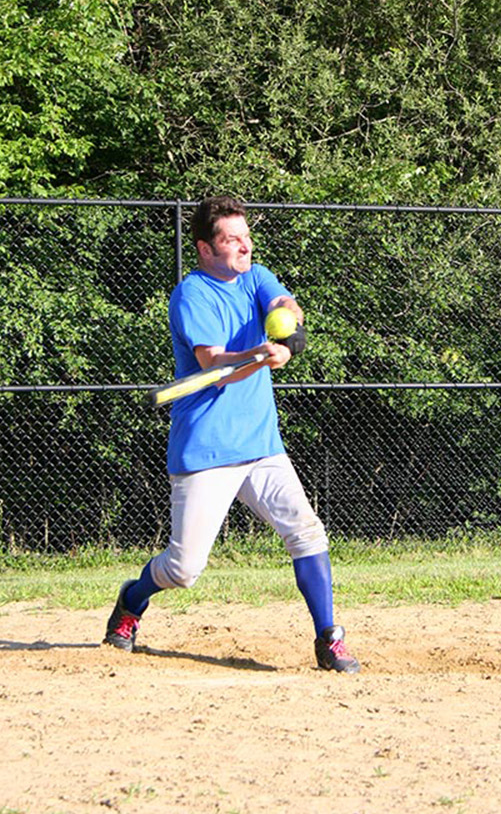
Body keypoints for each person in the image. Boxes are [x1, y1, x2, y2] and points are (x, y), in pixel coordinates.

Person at [103, 196, 359, 672]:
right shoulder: (192, 294)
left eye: (245, 237)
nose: (244, 247)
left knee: (305, 531)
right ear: (204, 247)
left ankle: (328, 637)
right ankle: (132, 601)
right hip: (207, 448)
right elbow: (213, 365)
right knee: (183, 570)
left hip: (260, 445)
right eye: (231, 240)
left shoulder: (255, 275)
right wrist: (260, 356)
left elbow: (284, 303)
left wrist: (291, 334)